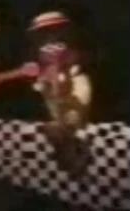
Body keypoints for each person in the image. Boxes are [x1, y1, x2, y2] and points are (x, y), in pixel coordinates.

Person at [25, 11, 93, 175]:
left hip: (73, 103)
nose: (50, 42)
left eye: (56, 34)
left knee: (69, 117)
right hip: (56, 108)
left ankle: (69, 136)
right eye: (44, 38)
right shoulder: (43, 73)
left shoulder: (76, 73)